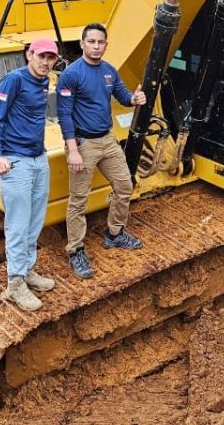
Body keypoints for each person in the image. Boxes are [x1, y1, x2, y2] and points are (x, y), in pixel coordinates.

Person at [57, 22, 148, 279]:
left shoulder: (109, 71)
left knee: (124, 186)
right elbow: (64, 114)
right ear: (83, 44)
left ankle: (115, 233)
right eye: (92, 42)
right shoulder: (72, 75)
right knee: (78, 200)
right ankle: (76, 249)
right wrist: (73, 150)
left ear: (106, 45)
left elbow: (122, 96)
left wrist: (135, 99)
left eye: (101, 42)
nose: (96, 47)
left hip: (107, 140)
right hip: (83, 143)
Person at [0, 38, 61, 311]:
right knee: (18, 225)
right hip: (15, 162)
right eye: (41, 56)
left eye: (51, 58)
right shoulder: (13, 81)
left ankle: (28, 271)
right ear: (29, 54)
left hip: (38, 159)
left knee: (34, 221)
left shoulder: (43, 82)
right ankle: (15, 284)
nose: (45, 62)